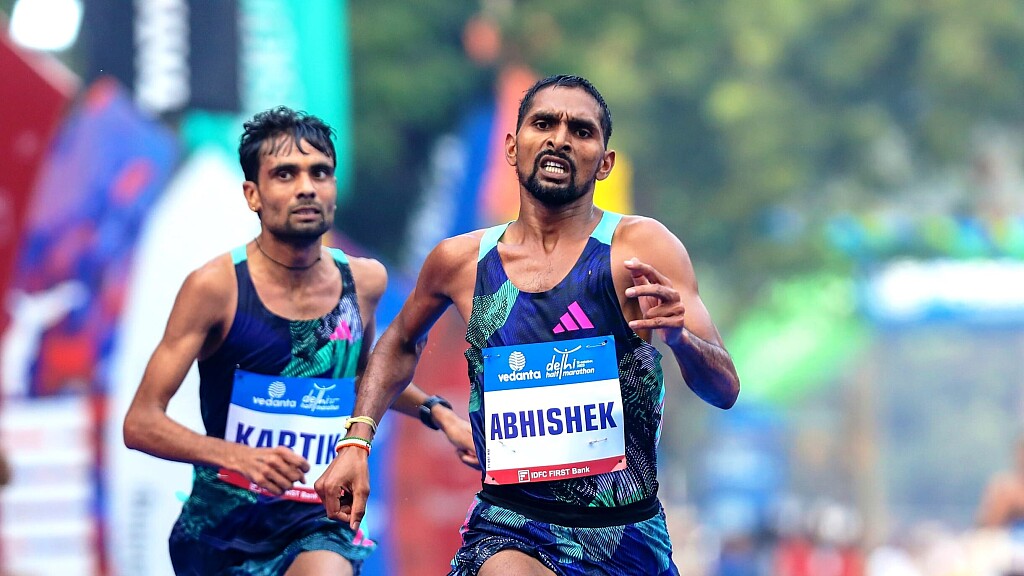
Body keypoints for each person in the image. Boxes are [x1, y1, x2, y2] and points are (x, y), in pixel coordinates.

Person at [316, 74, 741, 575]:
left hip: (627, 535)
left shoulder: (641, 249)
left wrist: (680, 339)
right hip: (512, 525)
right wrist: (356, 442)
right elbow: (398, 344)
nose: (560, 138)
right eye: (544, 123)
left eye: (581, 130)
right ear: (513, 148)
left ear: (604, 163)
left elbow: (725, 389)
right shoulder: (461, 262)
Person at [123, 105, 476, 576]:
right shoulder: (216, 289)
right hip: (221, 530)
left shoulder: (363, 282)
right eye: (285, 174)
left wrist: (440, 415)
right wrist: (237, 456)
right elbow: (141, 422)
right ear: (253, 194)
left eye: (320, 172)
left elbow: (364, 379)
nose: (306, 187)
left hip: (316, 517)